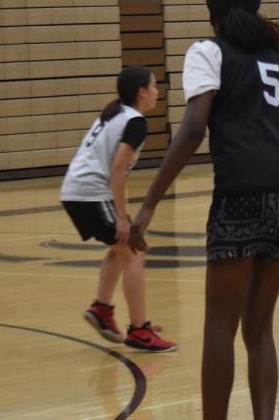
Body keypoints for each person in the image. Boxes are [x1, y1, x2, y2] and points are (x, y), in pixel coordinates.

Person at [129, 0, 279, 420]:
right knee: (259, 329)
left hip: (241, 192)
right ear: (257, 9)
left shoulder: (208, 51)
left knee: (219, 328)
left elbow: (194, 127)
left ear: (212, 15)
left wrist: (151, 200)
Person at [60, 66, 175, 352]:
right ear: (141, 92)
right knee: (134, 251)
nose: (157, 91)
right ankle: (139, 330)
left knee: (120, 249)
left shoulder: (116, 113)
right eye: (153, 86)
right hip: (89, 193)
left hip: (77, 191)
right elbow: (118, 169)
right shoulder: (135, 121)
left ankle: (102, 309)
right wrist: (123, 217)